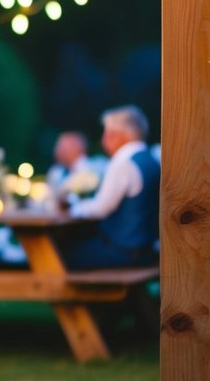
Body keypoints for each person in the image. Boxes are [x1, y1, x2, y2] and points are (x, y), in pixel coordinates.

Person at [60, 105, 160, 269]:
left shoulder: (123, 164)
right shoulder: (152, 160)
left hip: (124, 252)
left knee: (61, 255)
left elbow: (101, 208)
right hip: (147, 251)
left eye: (107, 134)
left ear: (120, 135)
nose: (103, 140)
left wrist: (72, 209)